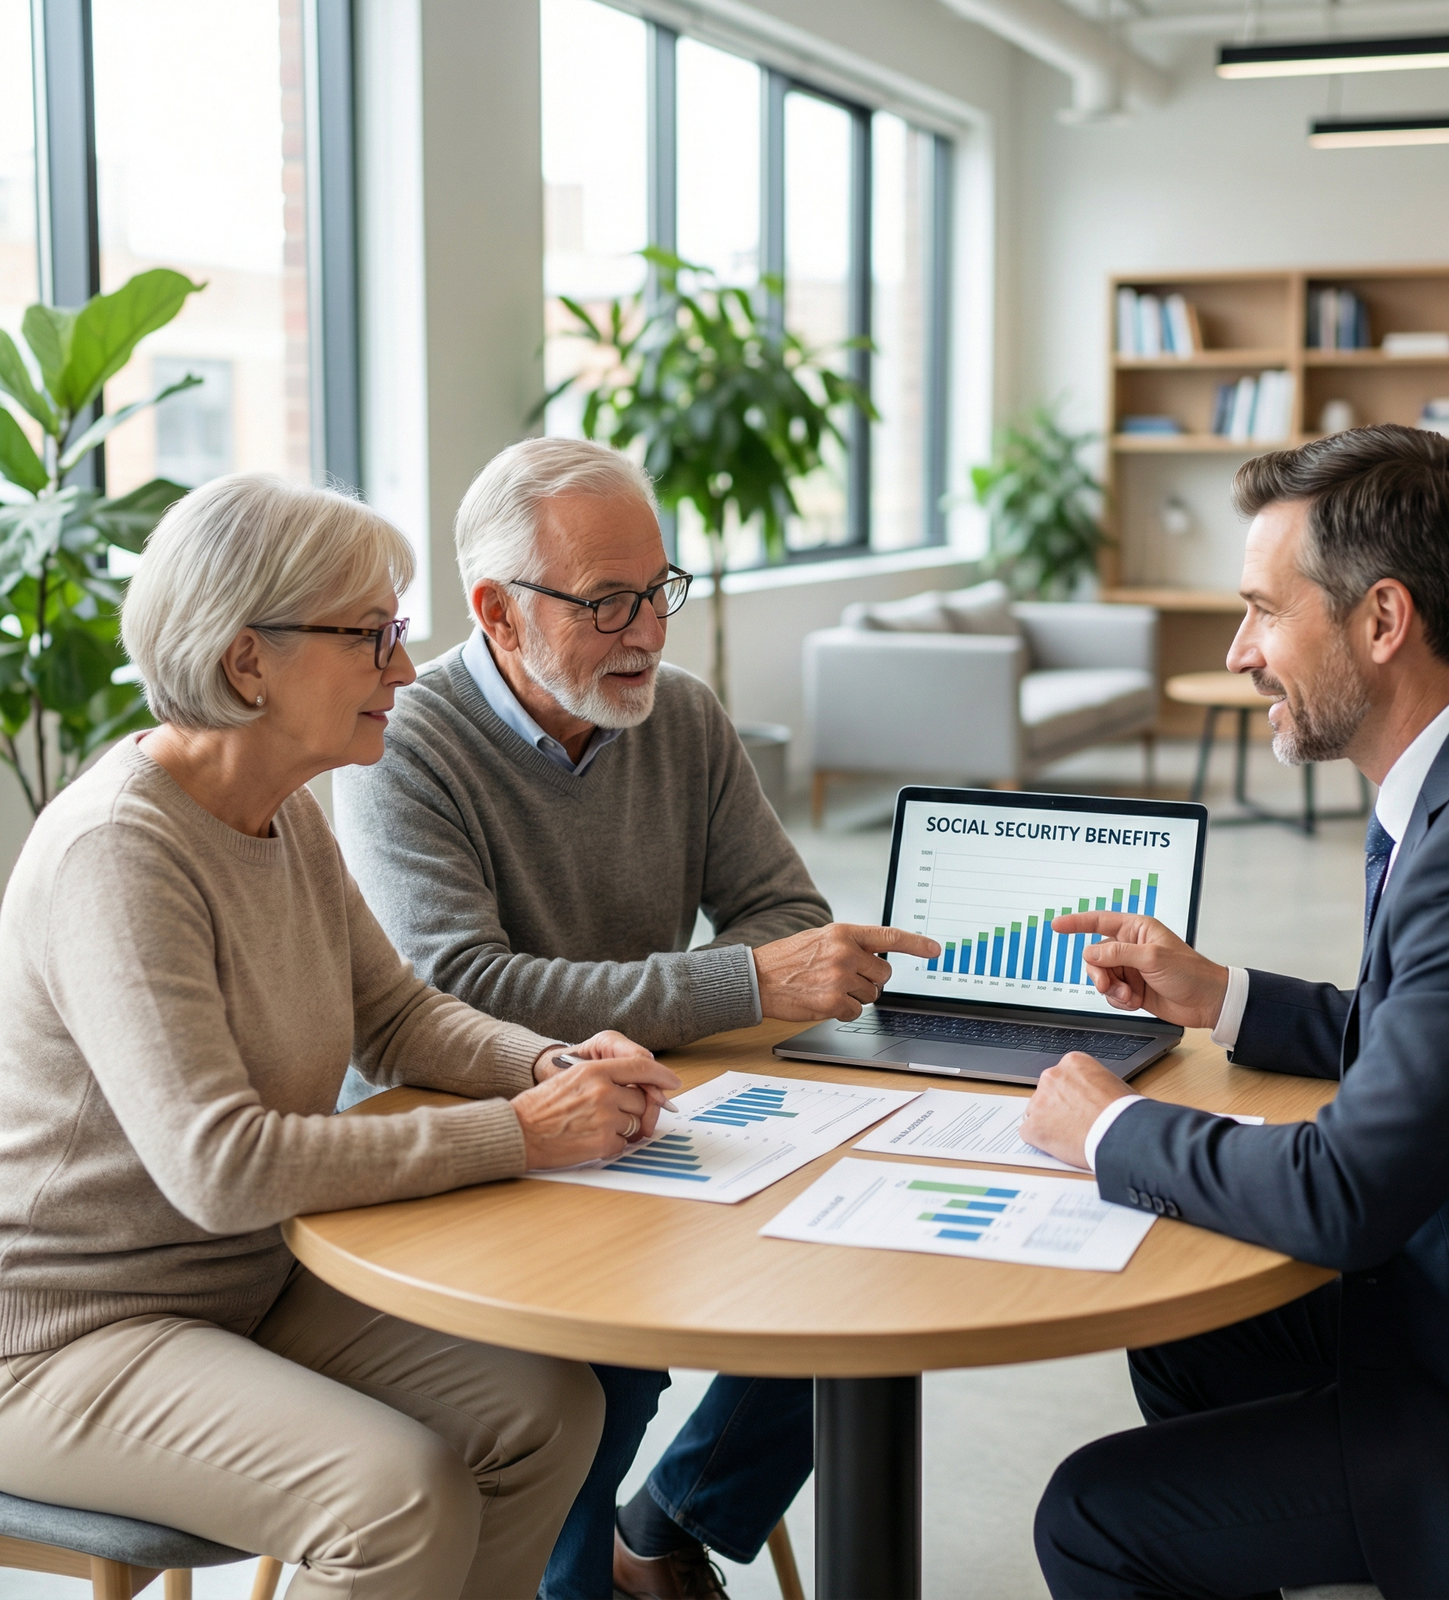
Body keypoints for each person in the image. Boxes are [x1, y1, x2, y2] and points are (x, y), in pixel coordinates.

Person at [0, 473, 683, 1600]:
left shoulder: (284, 813)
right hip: (67, 1335)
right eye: (371, 636)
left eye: (398, 634)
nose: (406, 671)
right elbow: (222, 1166)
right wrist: (519, 1131)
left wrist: (548, 1063)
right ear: (245, 661)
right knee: (398, 1495)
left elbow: (398, 1013)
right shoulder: (119, 852)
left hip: (246, 1287)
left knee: (551, 1409)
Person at [334, 436, 939, 1600]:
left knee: (867, 1265)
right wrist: (730, 987)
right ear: (497, 615)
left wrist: (703, 994)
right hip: (472, 1141)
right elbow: (457, 985)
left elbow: (781, 909)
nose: (647, 633)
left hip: (650, 1118)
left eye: (657, 592)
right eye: (606, 602)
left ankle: (667, 1526)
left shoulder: (684, 716)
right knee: (603, 1367)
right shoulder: (400, 740)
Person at [1017, 424, 1449, 1600]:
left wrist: (1105, 1131)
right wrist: (1219, 994)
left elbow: (1346, 1195)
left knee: (1090, 1516)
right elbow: (1437, 1041)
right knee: (1179, 1325)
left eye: (1262, 611)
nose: (1239, 651)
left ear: (1382, 622)